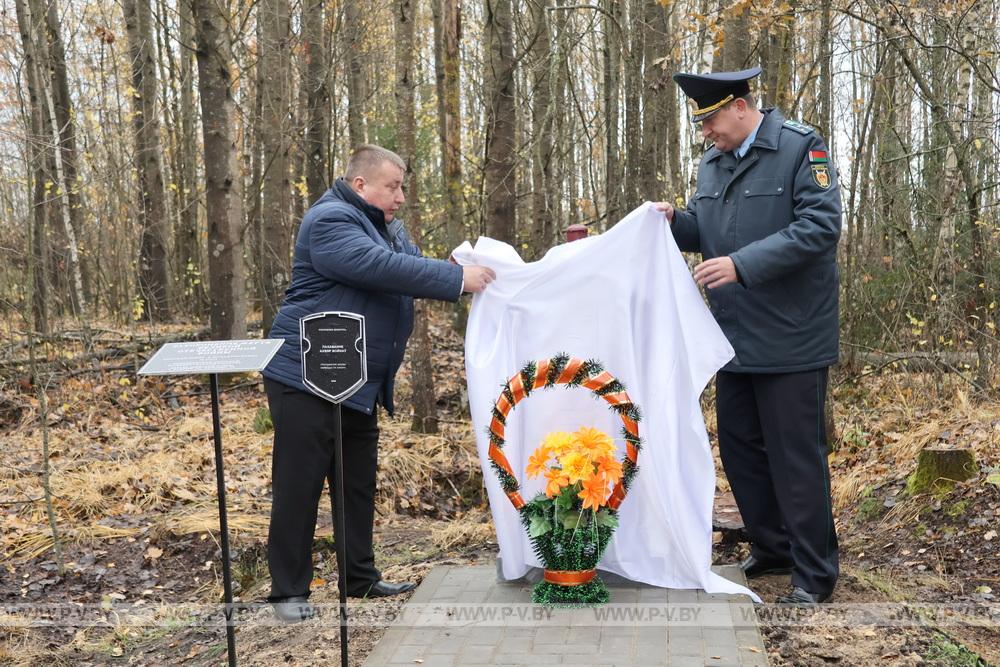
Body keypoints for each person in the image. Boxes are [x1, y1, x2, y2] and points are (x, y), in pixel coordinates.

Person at [262, 144, 496, 621]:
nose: (402, 197)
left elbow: (410, 269)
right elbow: (380, 268)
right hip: (307, 374)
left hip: (355, 378)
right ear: (361, 184)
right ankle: (288, 593)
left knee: (357, 484)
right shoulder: (330, 220)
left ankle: (360, 579)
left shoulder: (386, 225)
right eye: (393, 186)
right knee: (299, 485)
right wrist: (455, 279)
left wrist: (455, 270)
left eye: (403, 187)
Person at [655, 67, 842, 605]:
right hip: (731, 337)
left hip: (791, 336)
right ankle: (773, 547)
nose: (706, 133)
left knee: (795, 456)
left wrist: (741, 265)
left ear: (740, 106)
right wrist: (675, 221)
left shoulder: (800, 148)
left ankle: (814, 572)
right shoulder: (712, 163)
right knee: (741, 451)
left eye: (711, 120)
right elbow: (709, 230)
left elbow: (819, 226)